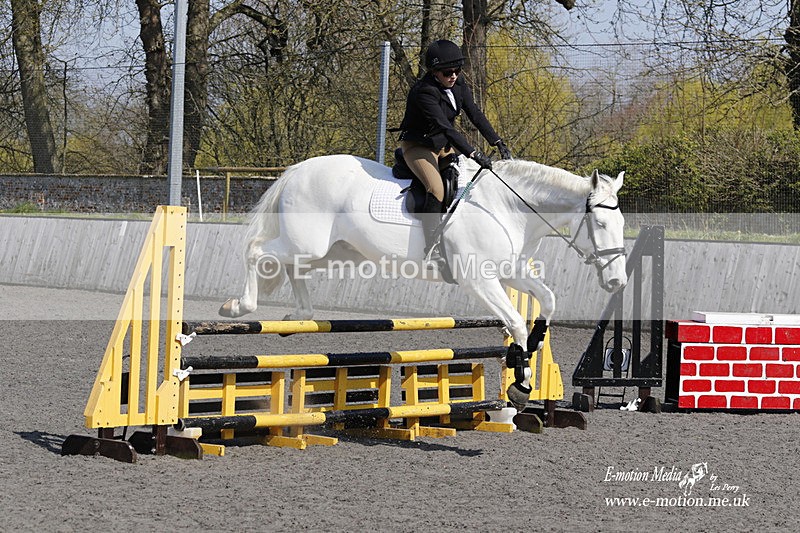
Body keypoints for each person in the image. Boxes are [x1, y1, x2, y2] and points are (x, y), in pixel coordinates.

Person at [397, 39, 512, 266]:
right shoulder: (424, 92)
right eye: (448, 72)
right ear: (434, 72)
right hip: (418, 146)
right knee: (437, 189)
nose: (454, 76)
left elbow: (475, 114)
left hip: (441, 145)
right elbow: (446, 127)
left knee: (461, 184)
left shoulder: (458, 85)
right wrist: (473, 153)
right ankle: (432, 249)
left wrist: (497, 141)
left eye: (457, 70)